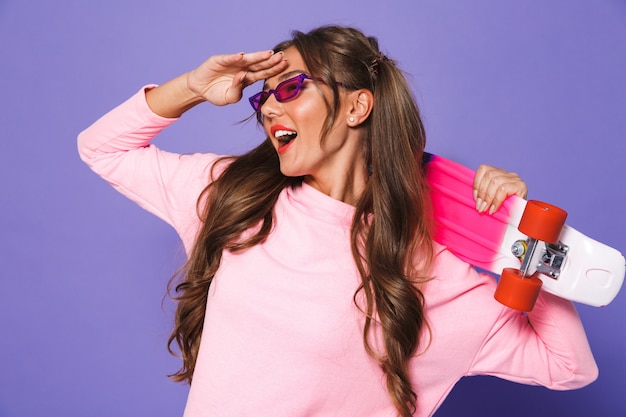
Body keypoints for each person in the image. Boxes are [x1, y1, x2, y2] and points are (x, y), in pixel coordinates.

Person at [78, 25, 597, 417]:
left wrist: (531, 241)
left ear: (357, 106)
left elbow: (567, 367)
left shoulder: (428, 269)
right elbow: (101, 149)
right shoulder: (234, 197)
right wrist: (193, 85)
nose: (266, 109)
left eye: (289, 89)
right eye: (263, 96)